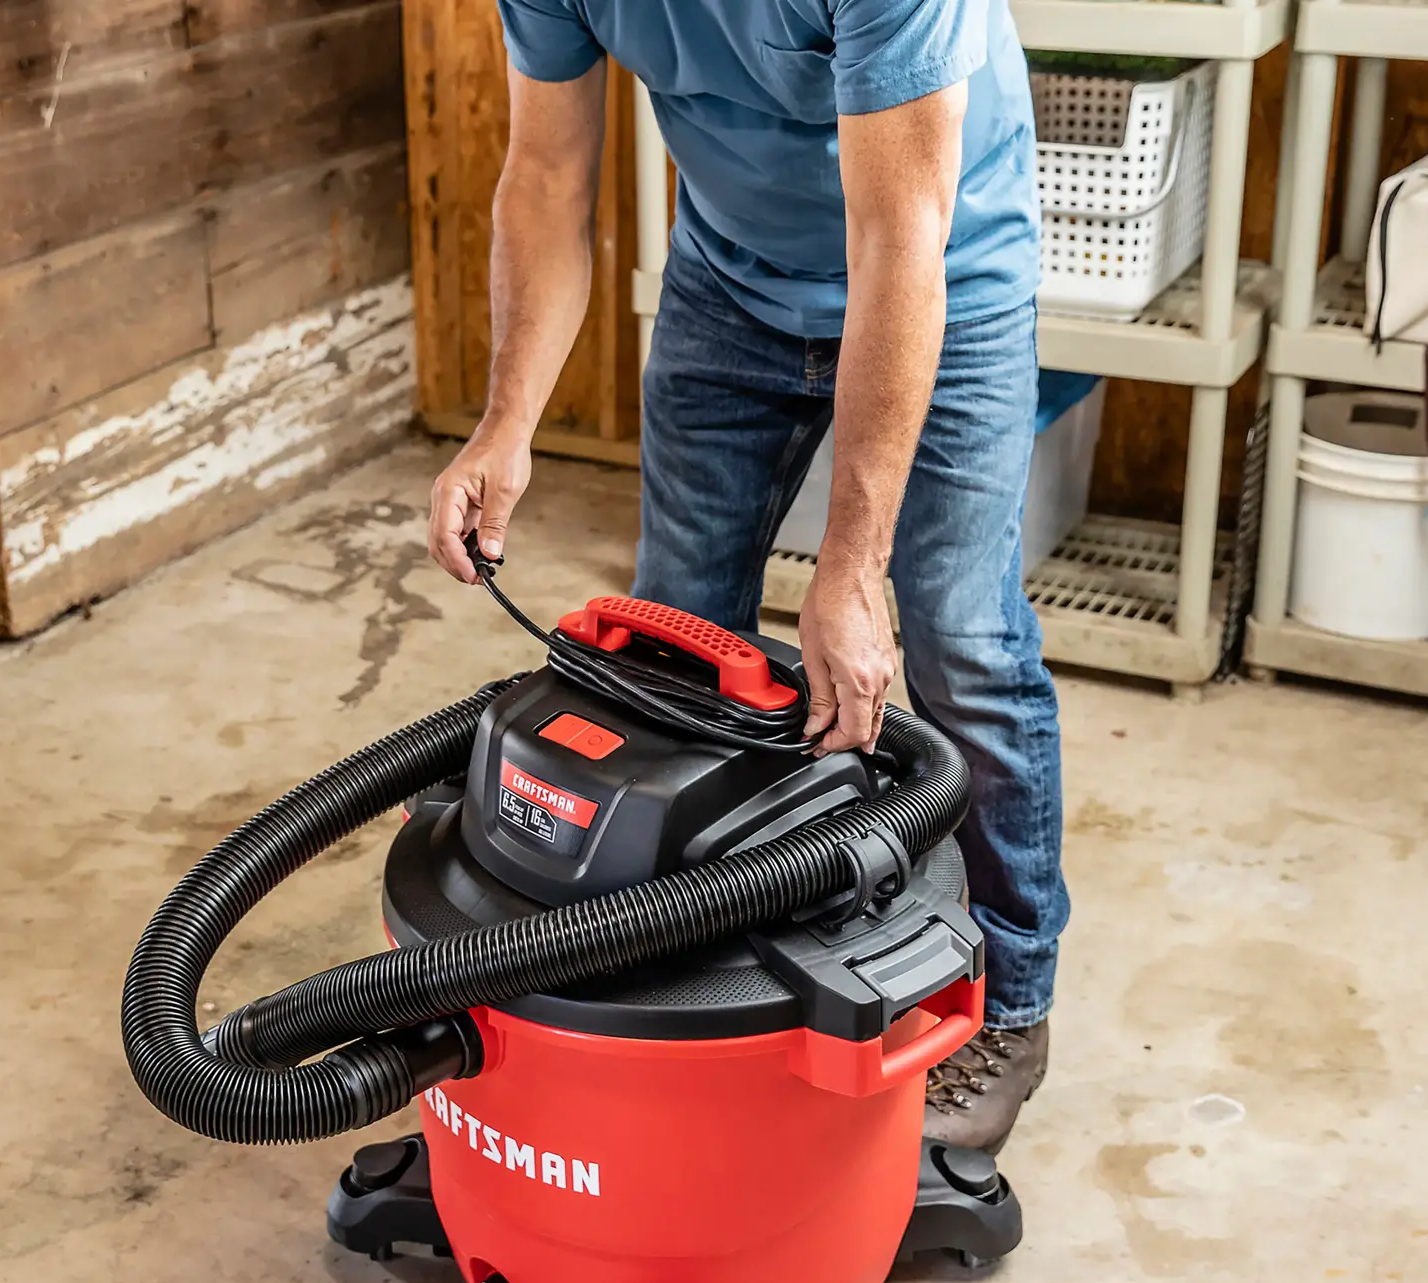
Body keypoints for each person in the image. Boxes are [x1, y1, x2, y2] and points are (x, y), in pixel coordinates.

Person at [425, 0, 1067, 1152]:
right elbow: (544, 176)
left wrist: (850, 567)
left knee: (961, 644)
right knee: (670, 643)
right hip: (729, 281)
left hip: (945, 272)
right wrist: (505, 424)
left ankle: (1009, 1004)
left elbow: (897, 239)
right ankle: (697, 962)